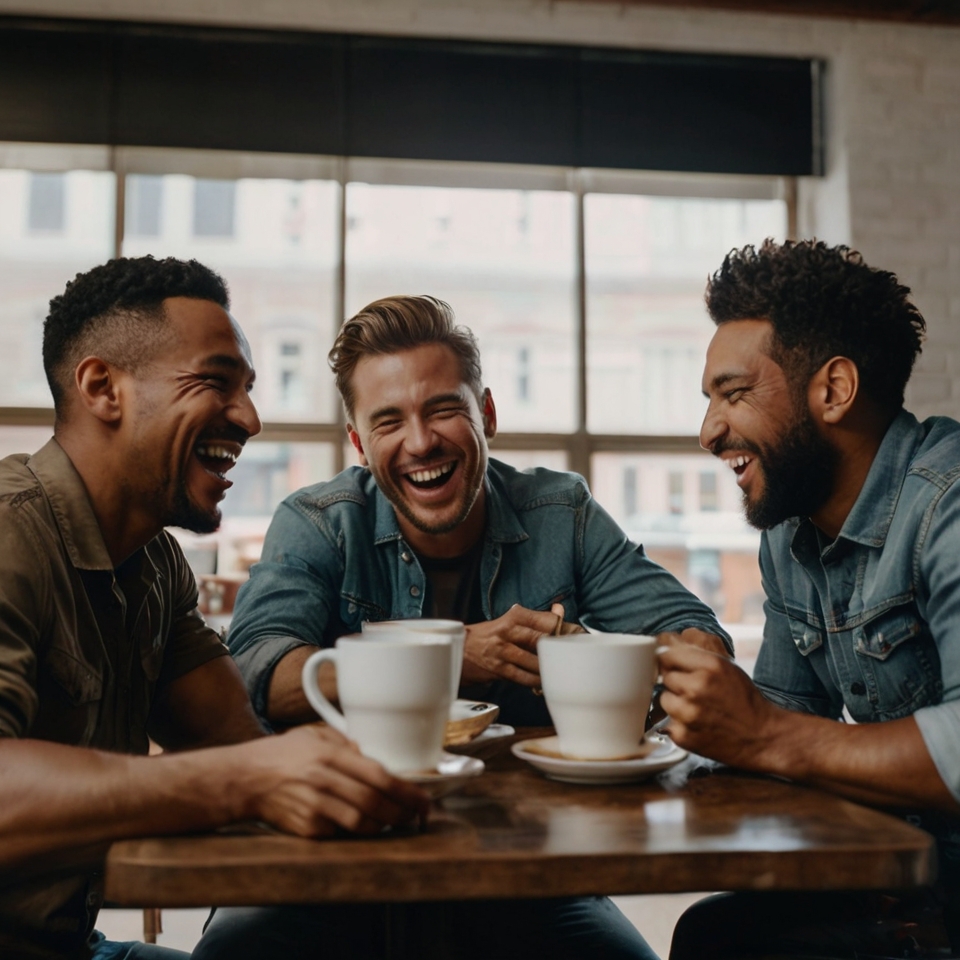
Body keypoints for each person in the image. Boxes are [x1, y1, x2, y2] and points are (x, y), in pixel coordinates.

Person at [207, 294, 732, 960]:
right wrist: (452, 657)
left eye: (443, 409)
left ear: (485, 413)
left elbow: (696, 637)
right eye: (389, 420)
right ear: (360, 443)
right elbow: (256, 671)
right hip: (320, 864)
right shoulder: (316, 520)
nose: (421, 441)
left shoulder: (559, 512)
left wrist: (607, 664)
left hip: (526, 869)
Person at [0, 257, 429, 960]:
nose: (251, 419)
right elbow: (244, 771)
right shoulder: (9, 532)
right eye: (215, 383)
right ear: (103, 388)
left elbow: (239, 746)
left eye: (249, 389)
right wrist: (246, 782)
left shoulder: (155, 565)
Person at [661, 239, 960, 959]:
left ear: (833, 390)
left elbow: (776, 734)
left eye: (733, 394)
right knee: (714, 935)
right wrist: (679, 720)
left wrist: (761, 733)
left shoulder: (946, 506)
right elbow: (781, 724)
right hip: (905, 875)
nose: (708, 432)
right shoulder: (790, 533)